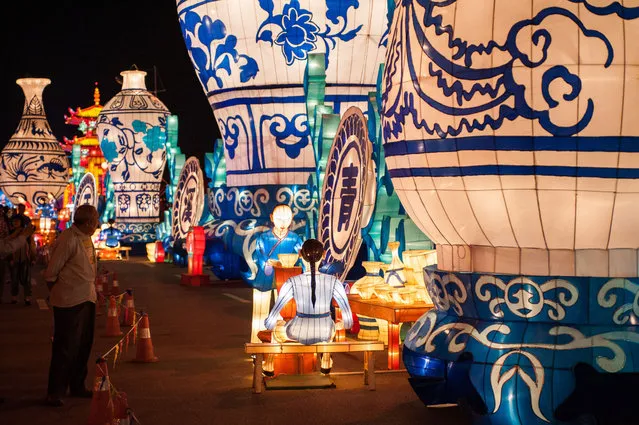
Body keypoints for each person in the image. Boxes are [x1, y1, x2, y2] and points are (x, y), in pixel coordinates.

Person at [264, 238, 353, 375]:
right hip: (326, 332)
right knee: (330, 325)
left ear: (300, 254)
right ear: (323, 254)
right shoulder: (334, 281)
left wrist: (271, 324)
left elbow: (276, 311)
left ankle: (269, 366)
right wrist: (342, 324)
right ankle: (326, 362)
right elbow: (348, 319)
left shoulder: (292, 281)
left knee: (277, 328)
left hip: (298, 331)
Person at [44, 204, 100, 407]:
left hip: (87, 298)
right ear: (87, 223)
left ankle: (77, 385)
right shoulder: (68, 239)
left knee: (83, 345)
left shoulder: (85, 238)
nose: (97, 225)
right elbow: (51, 273)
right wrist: (61, 293)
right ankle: (55, 391)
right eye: (95, 222)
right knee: (65, 347)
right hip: (69, 302)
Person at [250, 204, 303, 343]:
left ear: (292, 219)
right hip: (265, 277)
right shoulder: (263, 237)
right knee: (260, 312)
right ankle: (256, 342)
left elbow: (301, 254)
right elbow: (259, 254)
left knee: (283, 313)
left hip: (286, 279)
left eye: (287, 219)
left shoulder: (295, 238)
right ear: (272, 218)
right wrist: (266, 264)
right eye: (279, 218)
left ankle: (280, 341)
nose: (283, 223)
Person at [8, 215, 36, 305]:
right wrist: (10, 259)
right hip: (14, 259)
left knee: (26, 279)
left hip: (25, 258)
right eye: (14, 221)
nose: (15, 223)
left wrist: (33, 258)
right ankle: (14, 297)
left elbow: (32, 246)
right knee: (14, 279)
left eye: (17, 221)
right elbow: (7, 247)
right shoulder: (10, 233)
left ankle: (27, 298)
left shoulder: (26, 234)